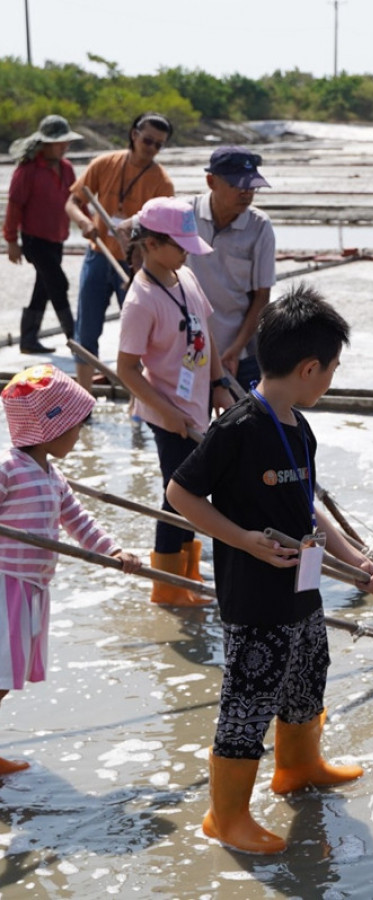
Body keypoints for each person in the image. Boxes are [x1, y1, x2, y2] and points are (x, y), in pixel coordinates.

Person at [167, 284, 373, 855]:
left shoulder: (299, 427)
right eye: (333, 369)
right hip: (255, 594)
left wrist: (352, 558)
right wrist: (243, 539)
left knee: (309, 670)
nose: (332, 379)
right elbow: (180, 494)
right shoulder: (238, 426)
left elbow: (309, 505)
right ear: (310, 367)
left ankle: (300, 764)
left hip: (303, 588)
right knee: (249, 696)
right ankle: (227, 816)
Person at [0, 365, 140, 774]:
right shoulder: (9, 469)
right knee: (1, 675)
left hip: (32, 587)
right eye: (74, 427)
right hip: (6, 585)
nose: (79, 436)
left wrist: (114, 551)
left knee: (6, 677)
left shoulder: (52, 475)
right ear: (49, 428)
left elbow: (79, 522)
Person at [116, 197, 235, 606]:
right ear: (149, 243)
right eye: (179, 244)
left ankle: (188, 574)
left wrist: (219, 381)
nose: (186, 252)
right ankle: (167, 588)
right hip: (168, 414)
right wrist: (167, 414)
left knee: (194, 494)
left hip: (197, 405)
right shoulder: (140, 300)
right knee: (177, 498)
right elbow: (127, 369)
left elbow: (207, 333)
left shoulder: (184, 277)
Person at [66, 111, 175, 390]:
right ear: (134, 134)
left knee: (136, 336)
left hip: (134, 265)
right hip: (98, 255)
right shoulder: (105, 163)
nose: (150, 148)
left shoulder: (161, 182)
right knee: (86, 330)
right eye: (148, 140)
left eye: (158, 145)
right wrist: (84, 222)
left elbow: (162, 230)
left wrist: (140, 249)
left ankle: (136, 403)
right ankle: (84, 396)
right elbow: (73, 202)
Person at [185, 146, 276, 393]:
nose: (247, 193)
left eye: (252, 187)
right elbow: (138, 229)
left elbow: (261, 297)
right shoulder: (185, 213)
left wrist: (235, 349)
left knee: (245, 425)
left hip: (239, 351)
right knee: (190, 426)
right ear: (211, 181)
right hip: (189, 349)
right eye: (238, 185)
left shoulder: (259, 226)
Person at [5, 115, 82, 354]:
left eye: (65, 143)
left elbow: (77, 199)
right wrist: (11, 241)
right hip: (34, 239)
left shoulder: (67, 168)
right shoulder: (27, 170)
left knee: (44, 286)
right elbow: (14, 206)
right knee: (58, 283)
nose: (64, 147)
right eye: (59, 143)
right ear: (45, 144)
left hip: (57, 238)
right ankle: (76, 340)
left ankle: (28, 340)